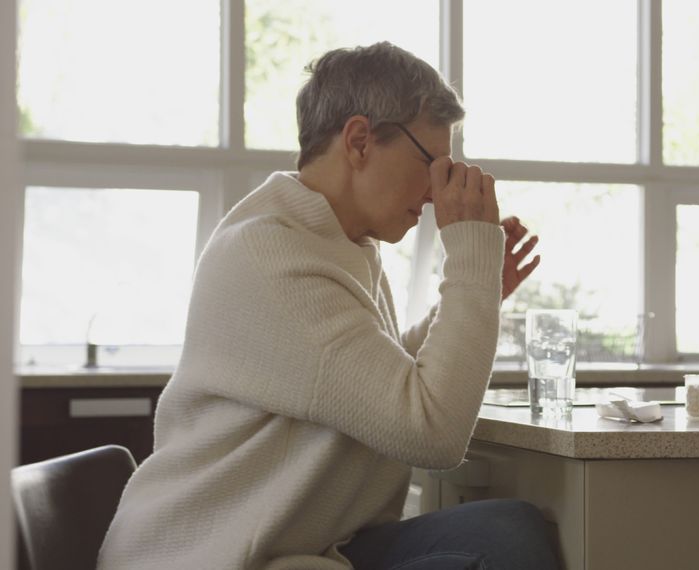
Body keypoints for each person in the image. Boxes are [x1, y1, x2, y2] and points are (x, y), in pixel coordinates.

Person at [98, 42, 556, 569]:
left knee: (507, 529)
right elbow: (431, 432)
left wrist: (478, 294)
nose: (434, 192)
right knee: (507, 544)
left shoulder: (340, 242)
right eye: (430, 164)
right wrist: (468, 275)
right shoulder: (272, 256)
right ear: (359, 140)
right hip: (208, 554)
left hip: (292, 542)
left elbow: (380, 380)